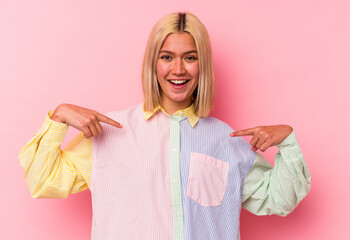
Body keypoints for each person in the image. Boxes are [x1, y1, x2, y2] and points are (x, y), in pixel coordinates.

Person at [19, 12, 311, 240]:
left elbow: (278, 200)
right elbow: (43, 181)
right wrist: (59, 118)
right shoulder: (106, 133)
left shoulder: (228, 141)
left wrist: (286, 141)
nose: (178, 69)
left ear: (202, 65)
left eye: (190, 58)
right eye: (167, 57)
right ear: (153, 63)